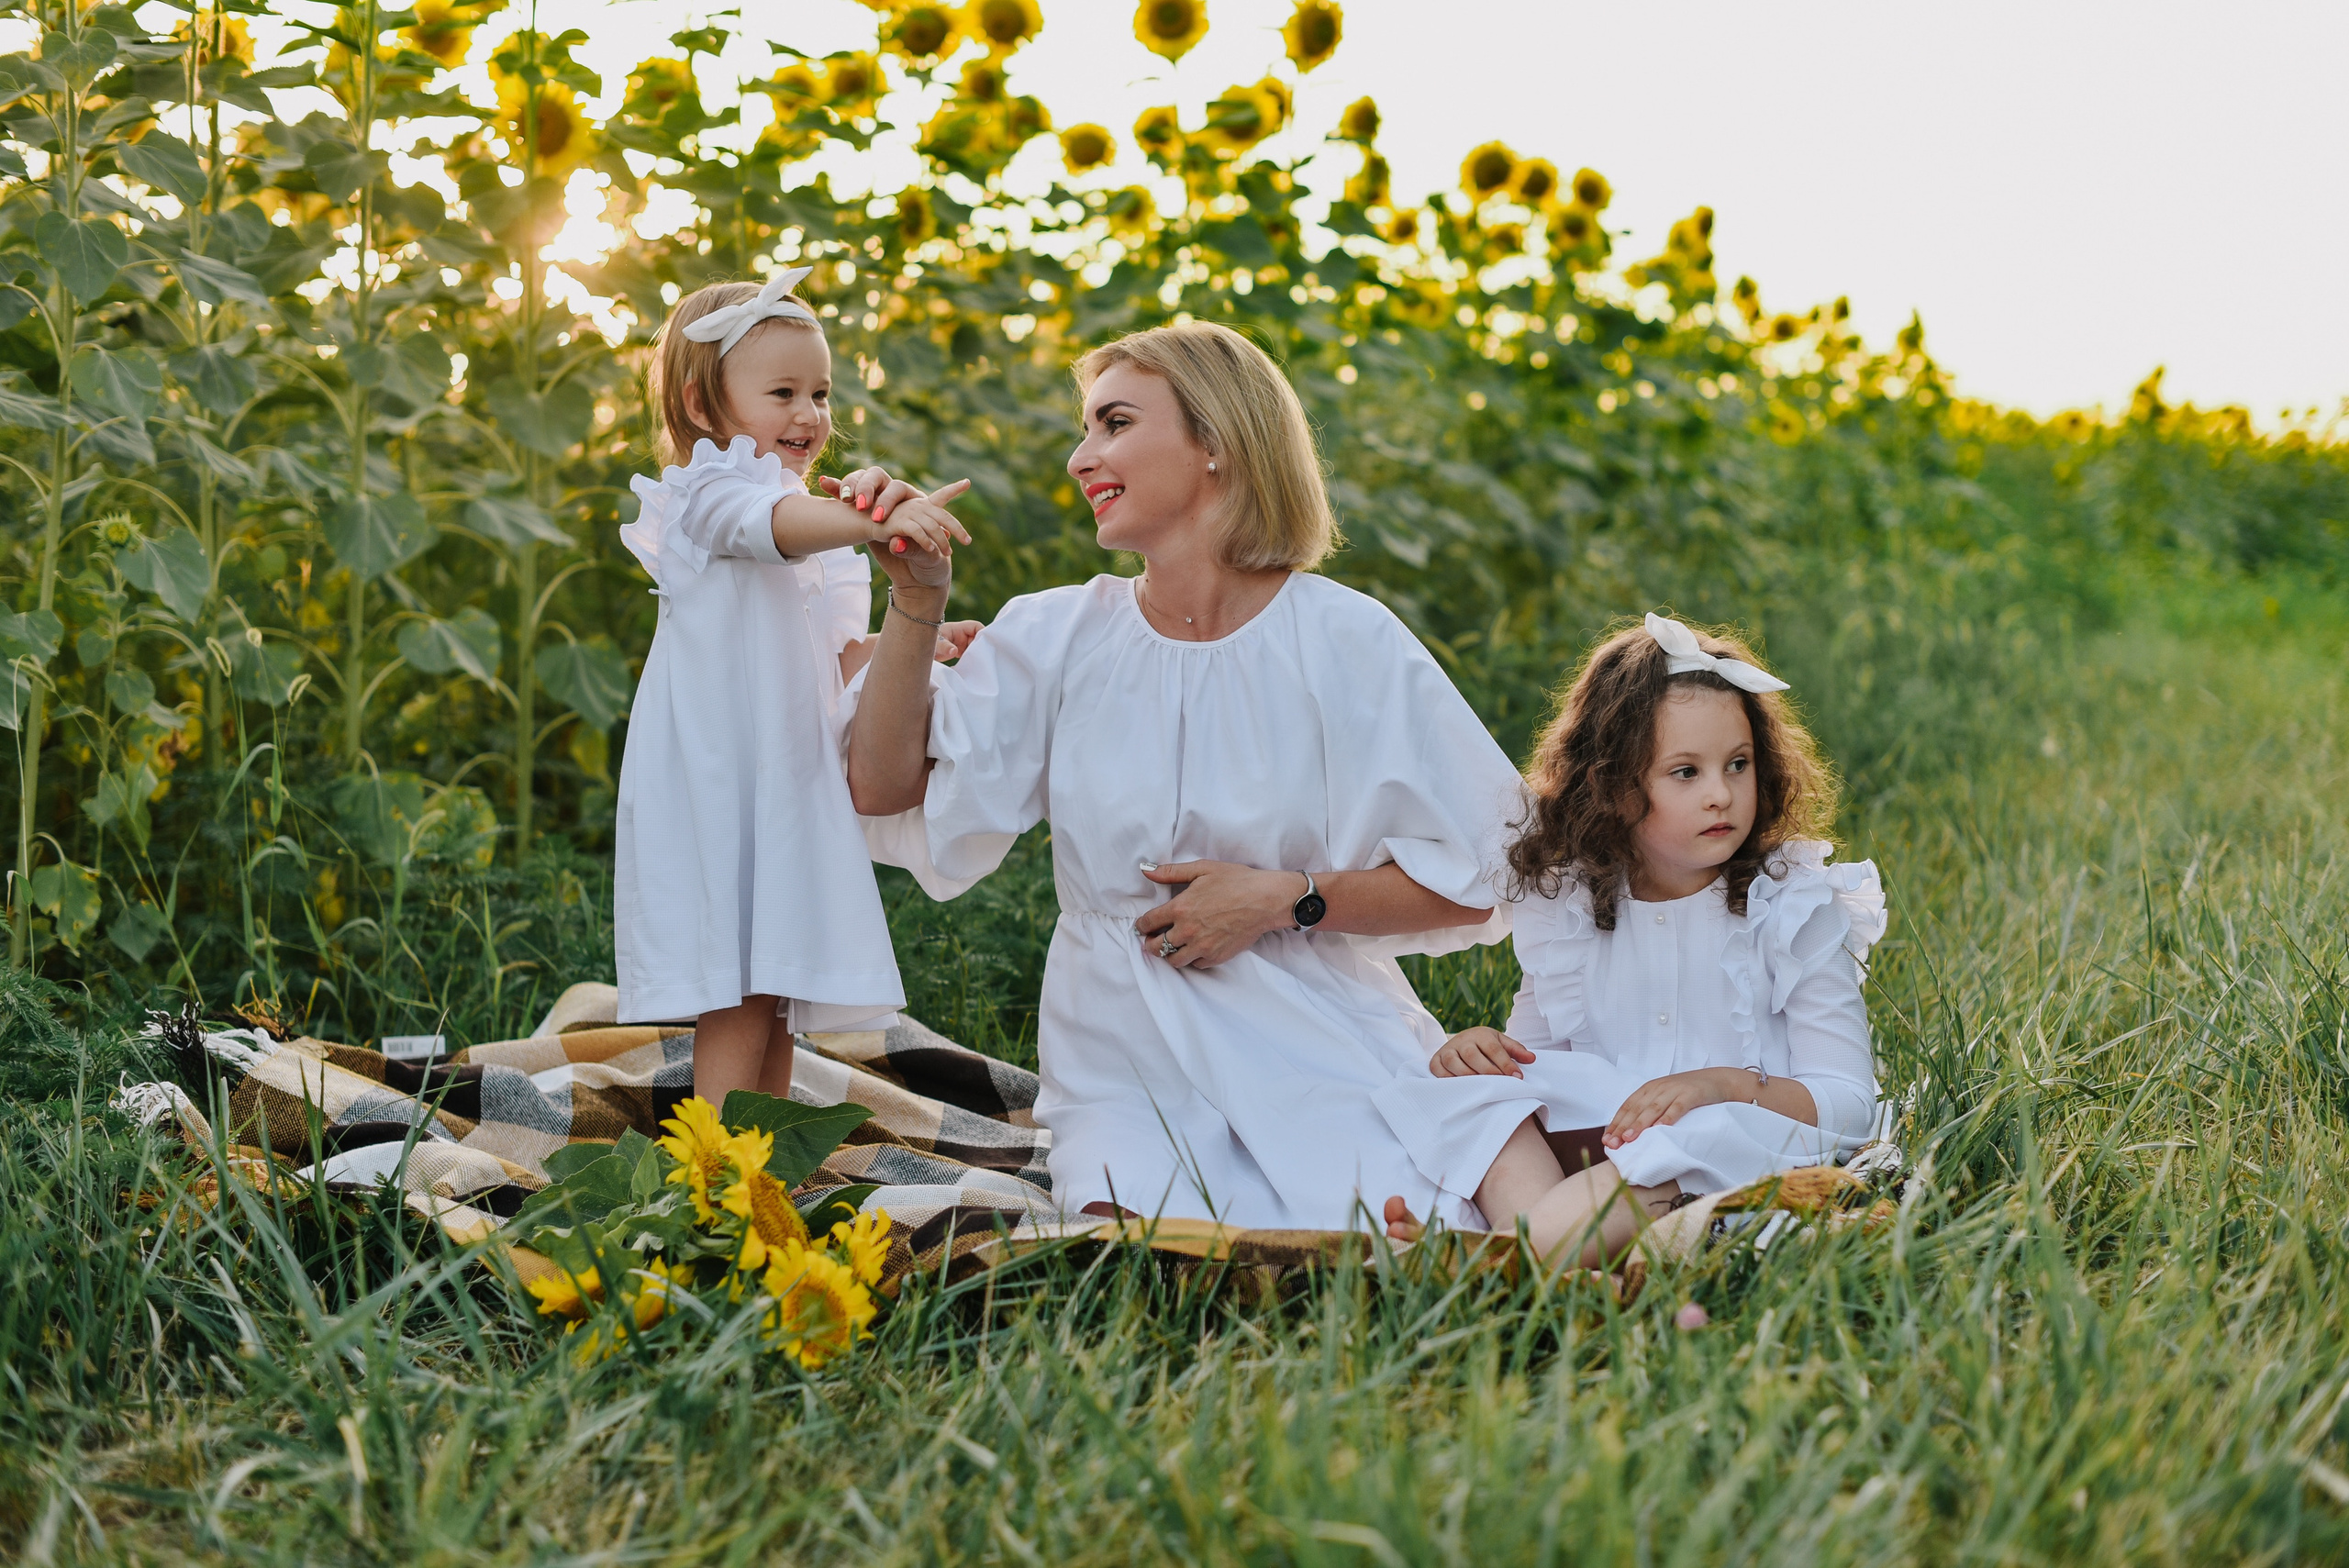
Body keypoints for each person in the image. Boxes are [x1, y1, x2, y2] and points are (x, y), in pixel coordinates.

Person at [841, 320, 1526, 1229]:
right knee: (1151, 1251)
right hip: (1121, 1061)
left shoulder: (1344, 640)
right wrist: (918, 600)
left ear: (1216, 441)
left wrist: (1289, 896)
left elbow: (1477, 882)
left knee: (1395, 1233)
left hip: (1311, 1034)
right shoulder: (1058, 635)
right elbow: (881, 787)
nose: (1081, 456)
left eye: (1114, 422)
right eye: (1085, 429)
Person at [1374, 614, 1887, 1264]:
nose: (1721, 794)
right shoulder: (1571, 909)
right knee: (1478, 1099)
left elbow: (1850, 1105)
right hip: (1605, 1141)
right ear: (1615, 787)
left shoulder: (1791, 906)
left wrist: (1722, 1085)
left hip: (1735, 1148)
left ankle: (1497, 1259)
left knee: (1684, 1140)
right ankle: (1552, 1256)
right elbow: (1537, 1064)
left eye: (1737, 764)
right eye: (1686, 772)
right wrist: (1486, 1053)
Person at [612, 268, 976, 1109]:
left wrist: (912, 641)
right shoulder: (708, 492)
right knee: (737, 985)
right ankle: (716, 1179)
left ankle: (757, 1155)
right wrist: (874, 519)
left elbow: (835, 655)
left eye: (820, 392)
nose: (811, 415)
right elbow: (764, 528)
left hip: (782, 778)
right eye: (783, 391)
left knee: (771, 985)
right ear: (705, 408)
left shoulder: (811, 517)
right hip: (722, 778)